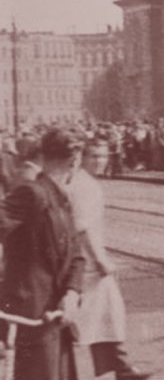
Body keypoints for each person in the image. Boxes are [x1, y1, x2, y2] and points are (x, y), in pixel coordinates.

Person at [0, 128, 85, 380]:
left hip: (57, 316)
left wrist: (72, 292)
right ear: (75, 160)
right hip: (31, 315)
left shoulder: (62, 198)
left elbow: (77, 255)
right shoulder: (32, 193)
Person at [64, 141, 151, 380]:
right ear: (82, 156)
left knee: (103, 314)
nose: (100, 161)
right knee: (97, 315)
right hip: (88, 263)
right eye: (94, 156)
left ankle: (121, 367)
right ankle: (120, 367)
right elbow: (83, 229)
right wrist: (100, 259)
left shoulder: (84, 182)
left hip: (84, 260)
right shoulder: (85, 186)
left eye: (103, 156)